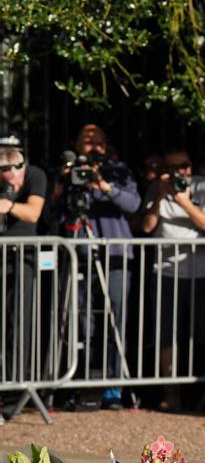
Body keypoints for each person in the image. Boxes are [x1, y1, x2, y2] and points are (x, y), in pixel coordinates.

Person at [60, 125, 142, 408]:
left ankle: (113, 387)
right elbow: (53, 209)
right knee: (81, 320)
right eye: (87, 140)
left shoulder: (119, 172)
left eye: (98, 141)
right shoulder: (67, 172)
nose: (93, 146)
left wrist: (103, 185)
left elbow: (133, 205)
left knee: (114, 320)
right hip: (77, 253)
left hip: (115, 255)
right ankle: (79, 383)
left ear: (106, 145)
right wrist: (66, 181)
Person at [141, 147, 205, 410]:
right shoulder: (158, 187)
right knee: (167, 334)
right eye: (174, 168)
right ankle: (172, 392)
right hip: (165, 270)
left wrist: (183, 201)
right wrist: (159, 196)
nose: (180, 172)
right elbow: (146, 226)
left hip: (202, 271)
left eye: (185, 166)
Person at [0, 141, 47, 386]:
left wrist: (9, 205)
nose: (12, 186)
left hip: (22, 256)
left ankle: (16, 383)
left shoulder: (35, 175)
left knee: (19, 321)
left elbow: (33, 213)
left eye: (15, 182)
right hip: (3, 254)